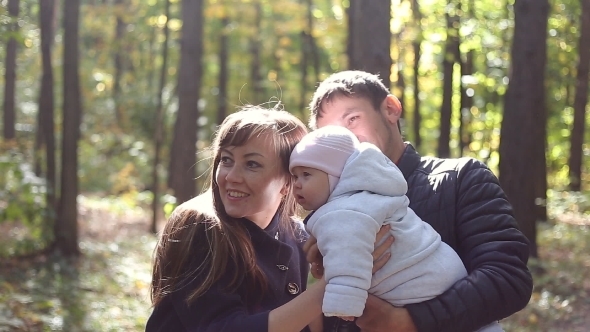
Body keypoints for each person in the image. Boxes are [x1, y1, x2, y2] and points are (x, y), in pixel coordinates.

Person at [304, 70, 533, 332]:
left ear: (390, 109)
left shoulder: (460, 179)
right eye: (332, 135)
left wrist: (410, 321)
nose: (347, 140)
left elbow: (507, 278)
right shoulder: (327, 211)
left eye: (352, 119)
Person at [145, 105, 393, 332]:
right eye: (226, 160)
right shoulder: (202, 226)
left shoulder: (299, 236)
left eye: (252, 164)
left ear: (289, 182)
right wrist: (337, 282)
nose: (231, 176)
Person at [289, 125, 502, 332]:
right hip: (442, 279)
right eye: (294, 176)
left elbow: (348, 262)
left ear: (335, 177)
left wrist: (343, 303)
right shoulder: (373, 196)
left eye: (306, 174)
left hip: (419, 286)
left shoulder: (343, 213)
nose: (297, 184)